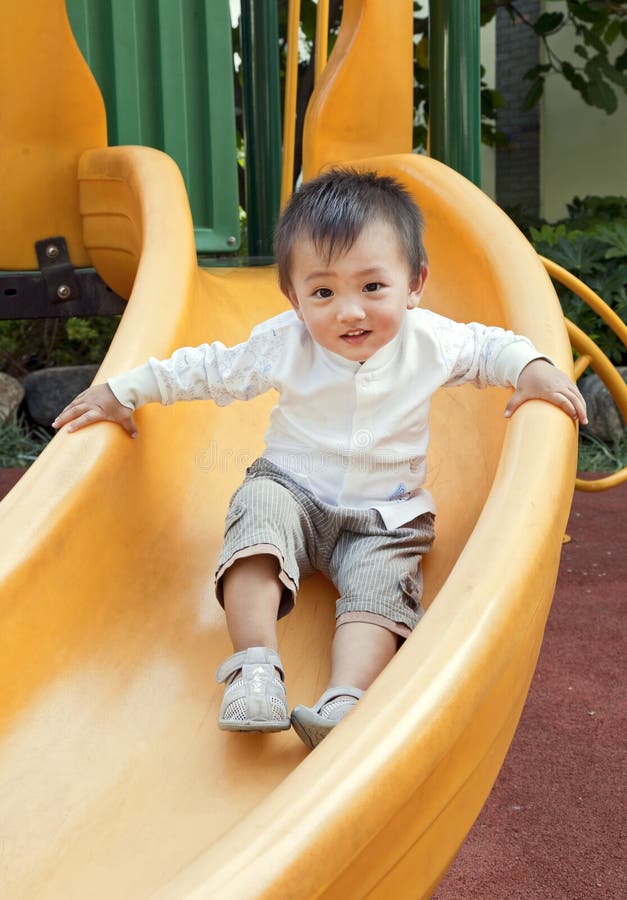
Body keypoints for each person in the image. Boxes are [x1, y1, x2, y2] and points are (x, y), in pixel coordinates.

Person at [52, 169, 587, 750]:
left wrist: (533, 369)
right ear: (295, 298)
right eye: (324, 293)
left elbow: (492, 348)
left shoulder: (431, 341)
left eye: (373, 288)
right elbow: (209, 369)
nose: (349, 312)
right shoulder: (286, 343)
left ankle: (346, 699)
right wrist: (123, 391)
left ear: (415, 283)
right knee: (255, 517)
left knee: (382, 592)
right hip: (293, 491)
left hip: (386, 514)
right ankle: (255, 670)